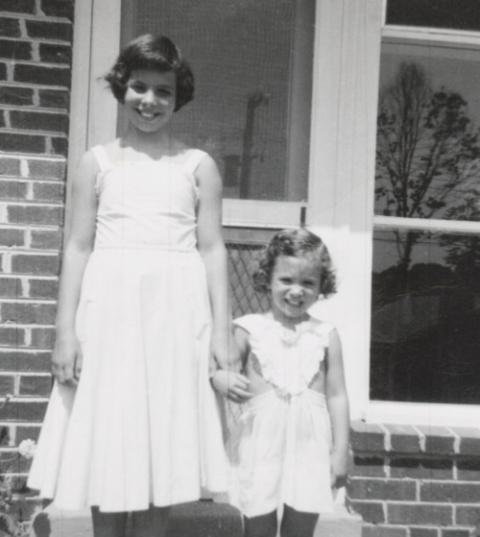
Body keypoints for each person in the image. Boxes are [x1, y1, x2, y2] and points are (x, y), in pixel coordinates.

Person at [28, 34, 232, 537]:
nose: (150, 101)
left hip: (175, 316)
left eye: (163, 91)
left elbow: (212, 249)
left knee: (162, 440)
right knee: (111, 436)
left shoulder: (197, 165)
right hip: (110, 313)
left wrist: (222, 335)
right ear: (122, 88)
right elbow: (77, 246)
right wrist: (64, 333)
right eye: (139, 87)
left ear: (178, 96)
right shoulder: (97, 162)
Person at [212, 228, 350, 537]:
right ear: (267, 279)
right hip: (260, 445)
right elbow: (222, 368)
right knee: (258, 525)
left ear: (321, 286)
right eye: (286, 280)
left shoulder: (325, 335)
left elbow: (338, 395)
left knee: (300, 529)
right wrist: (218, 378)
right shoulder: (249, 329)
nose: (297, 291)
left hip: (310, 448)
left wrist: (341, 450)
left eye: (308, 282)